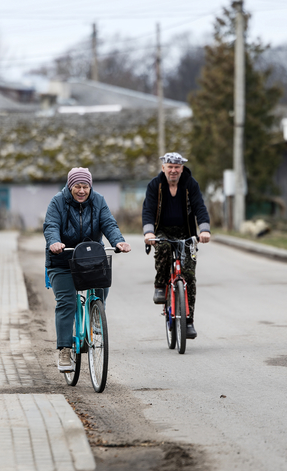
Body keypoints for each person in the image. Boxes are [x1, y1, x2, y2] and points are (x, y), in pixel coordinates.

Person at [44, 167, 131, 372]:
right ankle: (65, 349)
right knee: (66, 303)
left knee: (102, 281)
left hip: (90, 258)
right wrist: (54, 242)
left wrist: (119, 242)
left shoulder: (98, 201)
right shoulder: (57, 202)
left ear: (90, 187)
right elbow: (51, 225)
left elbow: (109, 223)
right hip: (62, 260)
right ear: (69, 186)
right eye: (77, 186)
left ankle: (96, 314)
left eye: (85, 187)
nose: (82, 191)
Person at [142, 152, 210, 339]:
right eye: (170, 167)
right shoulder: (155, 185)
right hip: (162, 230)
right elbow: (148, 209)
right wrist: (149, 233)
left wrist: (204, 230)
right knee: (163, 248)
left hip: (186, 232)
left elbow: (200, 208)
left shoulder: (190, 184)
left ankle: (188, 322)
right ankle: (160, 285)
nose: (173, 170)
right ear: (163, 167)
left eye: (177, 167)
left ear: (181, 169)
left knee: (189, 276)